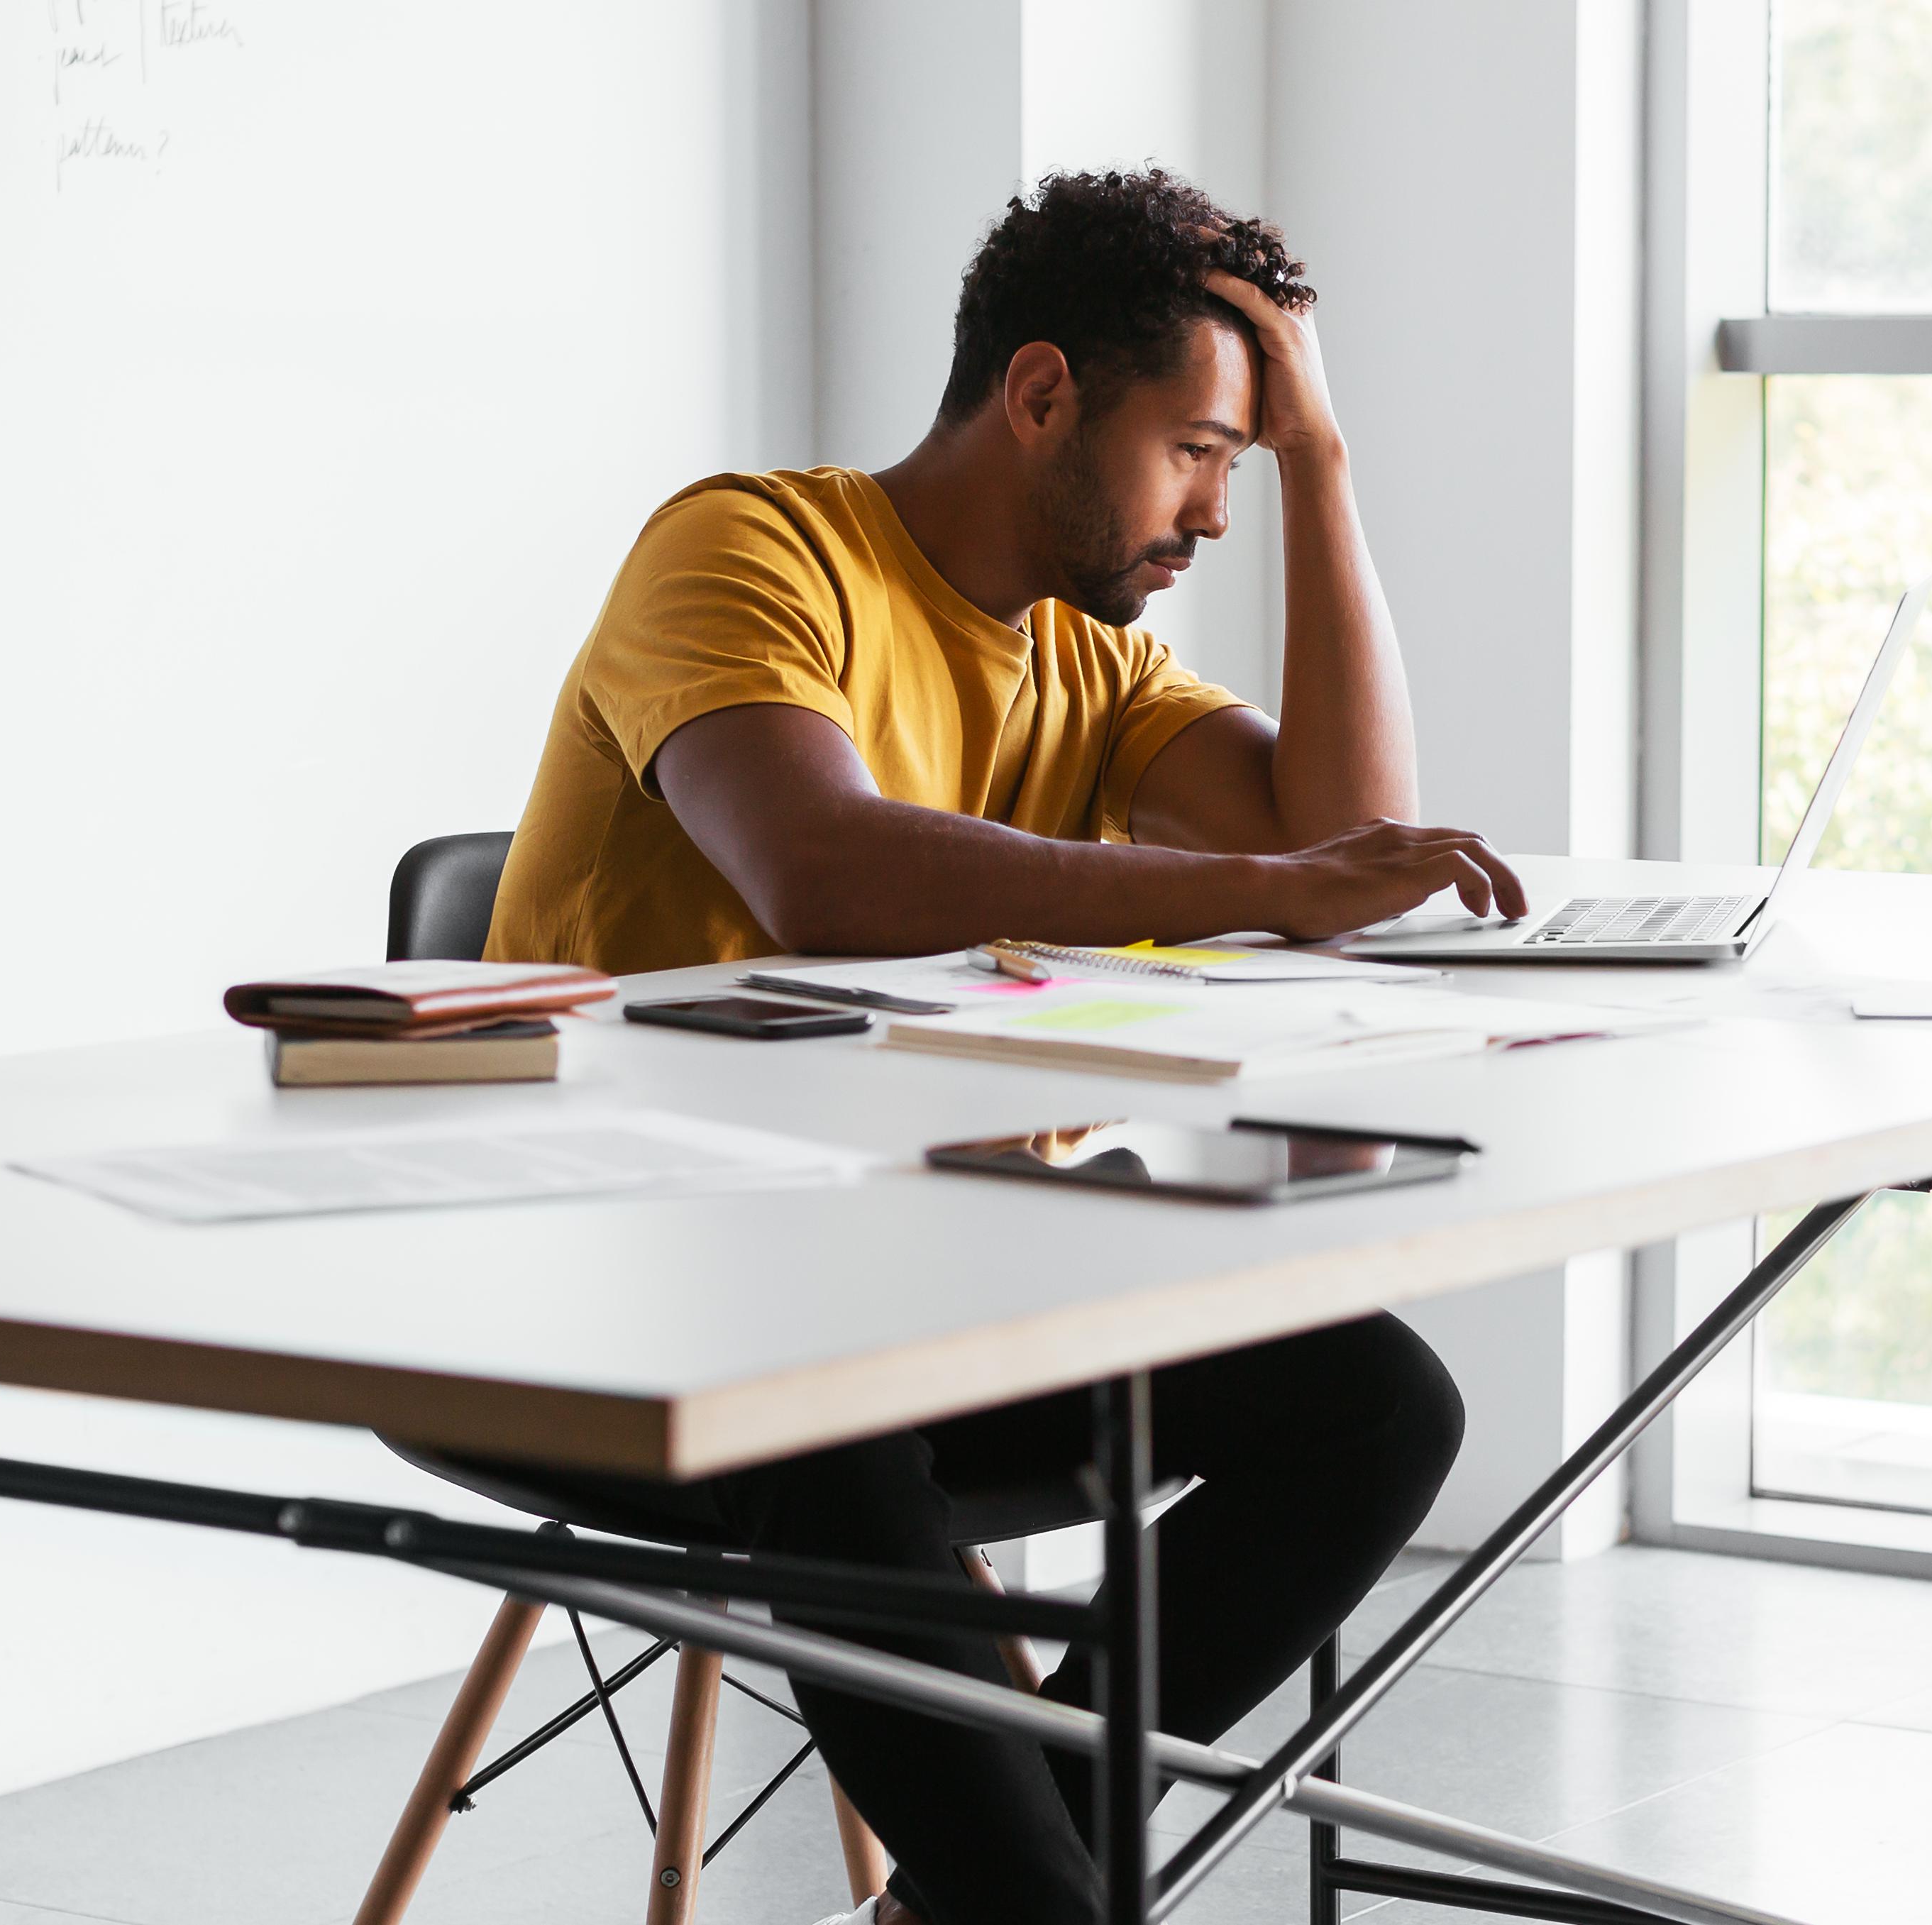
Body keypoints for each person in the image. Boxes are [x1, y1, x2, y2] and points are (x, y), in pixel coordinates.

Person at [472, 170, 1477, 1925]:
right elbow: (823, 869)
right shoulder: (750, 548)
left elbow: (1352, 844)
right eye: (1198, 453)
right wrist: (1247, 880)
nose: (1214, 517)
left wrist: (1324, 464)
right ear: (1039, 396)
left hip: (919, 1268)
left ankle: (981, 1906)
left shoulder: (1089, 665)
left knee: (1374, 1402)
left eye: (1242, 468)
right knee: (832, 1422)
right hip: (628, 1267)